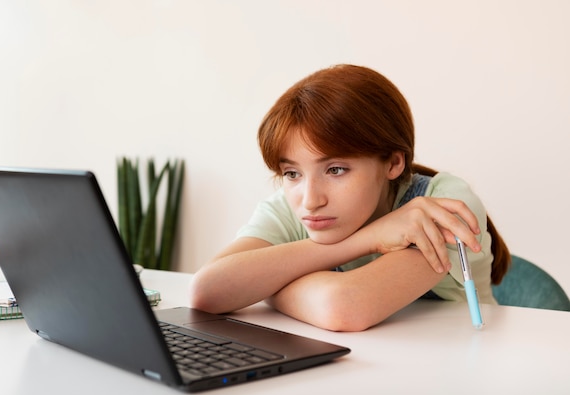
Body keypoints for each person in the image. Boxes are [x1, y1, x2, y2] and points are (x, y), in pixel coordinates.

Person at [190, 64, 510, 331]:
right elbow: (206, 291)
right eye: (292, 173)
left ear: (393, 162)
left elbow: (343, 306)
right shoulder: (294, 206)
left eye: (336, 169)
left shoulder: (442, 206)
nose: (311, 199)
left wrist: (261, 283)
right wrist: (370, 238)